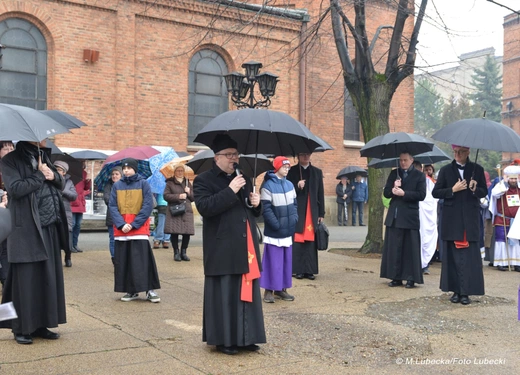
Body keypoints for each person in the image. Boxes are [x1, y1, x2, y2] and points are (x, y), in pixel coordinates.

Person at [193, 134, 265, 355]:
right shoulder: (203, 180)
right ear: (217, 158)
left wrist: (256, 205)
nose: (234, 158)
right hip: (222, 247)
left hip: (245, 245)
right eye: (230, 155)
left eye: (236, 154)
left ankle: (246, 338)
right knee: (225, 293)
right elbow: (206, 208)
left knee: (246, 293)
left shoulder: (243, 177)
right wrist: (230, 190)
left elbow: (248, 211)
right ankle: (225, 340)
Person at [0, 141, 69, 344]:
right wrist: (39, 175)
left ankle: (42, 324)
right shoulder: (10, 160)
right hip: (26, 229)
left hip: (48, 226)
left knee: (46, 278)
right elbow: (15, 189)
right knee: (23, 281)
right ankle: (19, 327)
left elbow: (60, 184)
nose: (46, 140)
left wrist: (53, 175)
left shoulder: (43, 156)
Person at [432, 145, 487, 305]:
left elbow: (484, 191)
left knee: (469, 258)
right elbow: (436, 192)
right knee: (453, 258)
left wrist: (476, 189)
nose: (457, 155)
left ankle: (466, 292)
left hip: (469, 220)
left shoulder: (477, 169)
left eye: (461, 152)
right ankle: (455, 291)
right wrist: (452, 190)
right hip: (452, 220)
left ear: (468, 152)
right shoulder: (445, 171)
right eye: (455, 152)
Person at [109, 158, 161, 303]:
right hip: (122, 231)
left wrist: (133, 224)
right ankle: (131, 290)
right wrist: (121, 224)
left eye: (128, 168)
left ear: (134, 169)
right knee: (124, 262)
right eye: (124, 168)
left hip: (138, 230)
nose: (125, 170)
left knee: (143, 262)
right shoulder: (117, 185)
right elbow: (112, 206)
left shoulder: (143, 184)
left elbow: (147, 205)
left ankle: (150, 290)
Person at [380, 152, 426, 289]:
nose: (403, 163)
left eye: (405, 160)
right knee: (394, 247)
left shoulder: (419, 176)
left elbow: (421, 195)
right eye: (400, 160)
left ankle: (411, 278)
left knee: (410, 248)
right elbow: (386, 192)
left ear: (412, 160)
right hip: (395, 215)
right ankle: (396, 277)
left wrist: (404, 193)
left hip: (409, 217)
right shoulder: (395, 174)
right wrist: (393, 189)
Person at [259, 156, 298, 303]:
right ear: (277, 167)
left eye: (288, 167)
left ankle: (281, 289)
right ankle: (268, 290)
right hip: (274, 232)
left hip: (287, 231)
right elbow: (266, 209)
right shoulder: (268, 186)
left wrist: (294, 219)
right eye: (284, 166)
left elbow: (294, 205)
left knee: (285, 262)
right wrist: (276, 225)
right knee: (272, 262)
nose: (287, 169)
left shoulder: (289, 184)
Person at [287, 152, 325, 280]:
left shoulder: (317, 172)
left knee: (310, 242)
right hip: (298, 211)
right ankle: (298, 270)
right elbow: (287, 191)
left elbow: (320, 193)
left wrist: (321, 213)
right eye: (303, 154)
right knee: (297, 240)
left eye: (308, 154)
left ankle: (309, 270)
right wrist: (297, 186)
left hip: (312, 211)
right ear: (298, 156)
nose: (306, 157)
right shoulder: (291, 172)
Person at [489, 165, 520, 272]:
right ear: (507, 178)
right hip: (503, 219)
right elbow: (494, 194)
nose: (513, 180)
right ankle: (502, 262)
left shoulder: (519, 187)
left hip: (516, 220)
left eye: (515, 178)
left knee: (516, 240)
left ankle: (516, 262)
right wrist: (504, 185)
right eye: (511, 178)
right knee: (501, 240)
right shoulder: (501, 186)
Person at [164, 164, 194, 261]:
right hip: (175, 210)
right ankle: (176, 252)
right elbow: (166, 196)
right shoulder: (170, 183)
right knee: (174, 232)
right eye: (178, 170)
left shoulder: (187, 182)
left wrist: (189, 192)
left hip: (186, 210)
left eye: (182, 170)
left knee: (187, 233)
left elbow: (193, 198)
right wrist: (178, 196)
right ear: (174, 172)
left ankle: (183, 252)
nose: (180, 172)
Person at [54, 160, 78, 268]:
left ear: (64, 172)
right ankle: (56, 259)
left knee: (67, 235)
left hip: (65, 211)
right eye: (55, 169)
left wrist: (62, 191)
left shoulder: (69, 183)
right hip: (53, 210)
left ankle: (68, 257)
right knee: (55, 236)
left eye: (59, 169)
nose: (57, 171)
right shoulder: (50, 180)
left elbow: (74, 196)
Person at [417, 162, 438, 275]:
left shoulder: (429, 182)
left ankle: (425, 263)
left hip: (427, 214)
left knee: (426, 238)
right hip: (416, 214)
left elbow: (434, 198)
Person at [0, 140, 14, 285]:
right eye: (6, 149)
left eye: (11, 148)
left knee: (5, 248)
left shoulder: (14, 167)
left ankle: (5, 280)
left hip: (8, 213)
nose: (9, 151)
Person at [103, 166, 122, 265]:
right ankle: (115, 259)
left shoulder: (125, 185)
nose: (114, 176)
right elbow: (107, 199)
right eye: (113, 174)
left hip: (124, 217)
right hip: (112, 217)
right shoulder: (108, 186)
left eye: (117, 174)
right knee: (113, 239)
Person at [70, 164, 91, 253]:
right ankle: (70, 245)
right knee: (73, 224)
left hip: (80, 203)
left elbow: (86, 188)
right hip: (73, 202)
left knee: (78, 225)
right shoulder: (71, 174)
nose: (83, 164)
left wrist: (88, 181)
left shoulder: (84, 174)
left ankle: (75, 244)